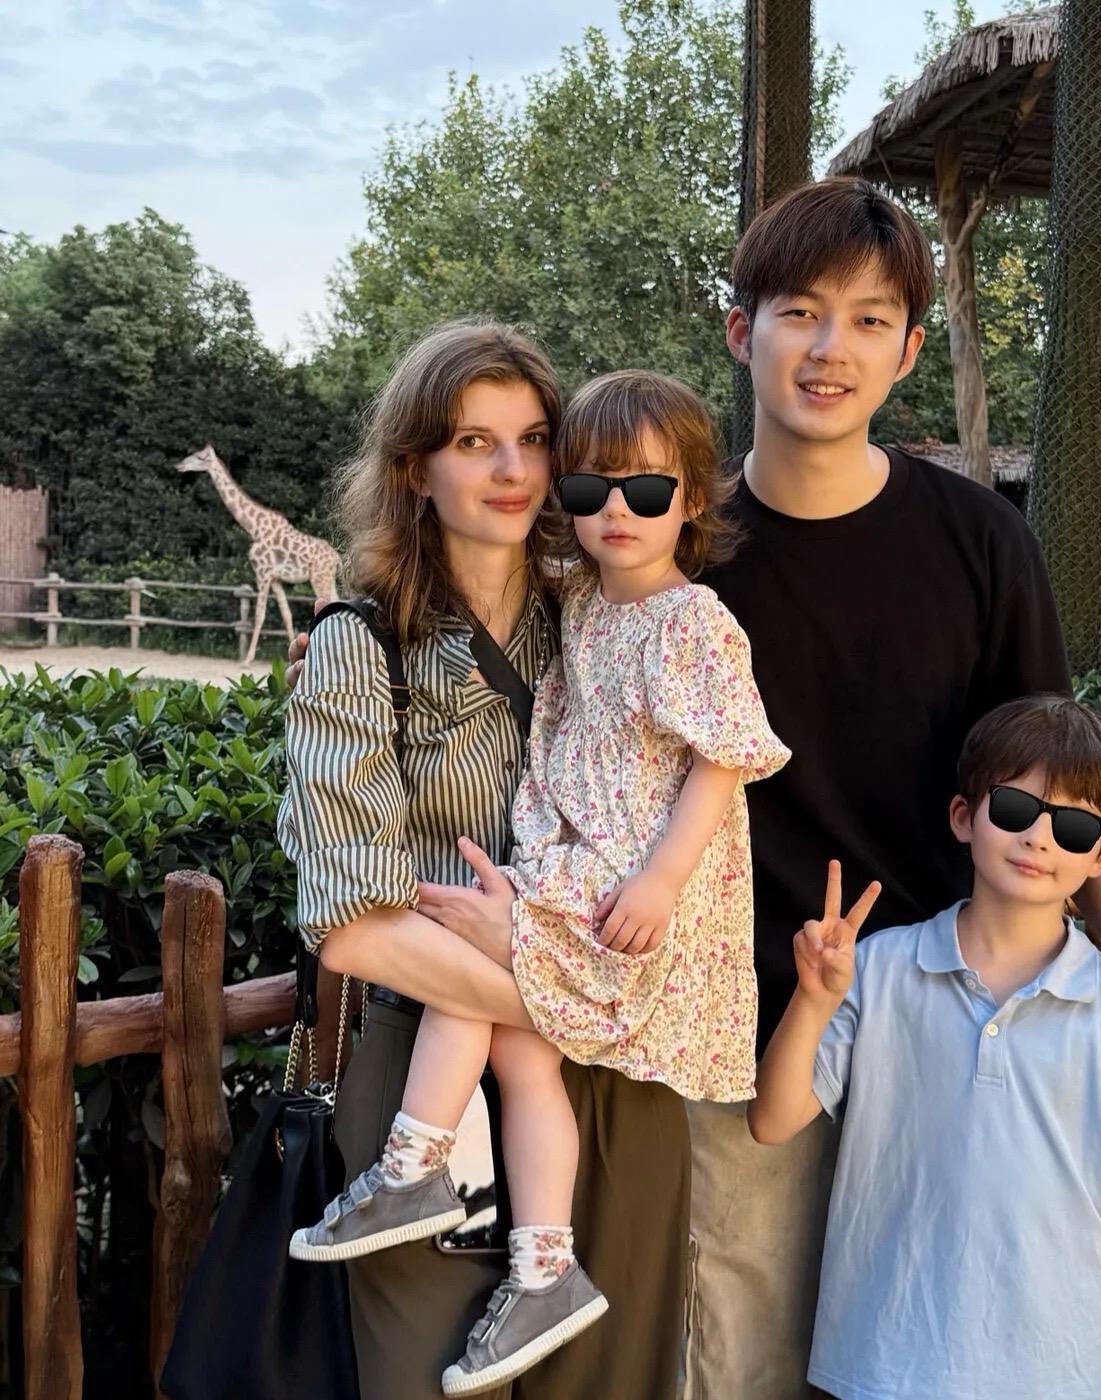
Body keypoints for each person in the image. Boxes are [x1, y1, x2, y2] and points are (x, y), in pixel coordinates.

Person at [287, 179, 1101, 1398]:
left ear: (910, 349)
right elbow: (532, 660)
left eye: (870, 320)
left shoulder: (983, 543)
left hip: (929, 1025)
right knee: (737, 1352)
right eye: (801, 312)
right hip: (732, 1031)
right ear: (741, 330)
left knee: (932, 1340)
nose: (831, 349)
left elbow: (1046, 770)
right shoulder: (662, 550)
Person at [287, 366, 785, 1394]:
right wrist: (569, 995)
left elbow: (717, 758)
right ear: (414, 467)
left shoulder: (591, 602)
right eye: (474, 441)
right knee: (425, 1376)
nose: (513, 469)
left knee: (609, 1378)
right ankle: (410, 1177)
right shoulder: (365, 642)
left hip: (613, 1063)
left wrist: (597, 999)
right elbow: (350, 924)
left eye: (532, 440)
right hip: (448, 1040)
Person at [749, 695, 1101, 1400]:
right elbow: (772, 1120)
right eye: (1017, 809)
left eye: (1074, 825)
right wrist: (813, 999)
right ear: (965, 817)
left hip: (1062, 1377)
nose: (1040, 839)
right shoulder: (879, 969)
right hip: (883, 1366)